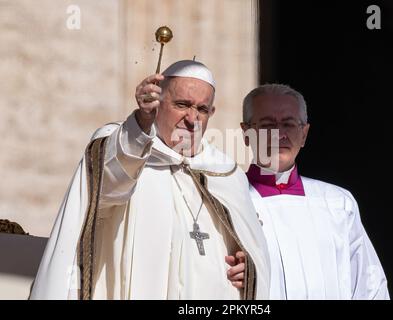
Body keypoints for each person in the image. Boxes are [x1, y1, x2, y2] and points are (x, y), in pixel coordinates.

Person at [30, 60, 270, 300]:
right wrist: (140, 124)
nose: (192, 118)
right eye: (182, 104)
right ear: (158, 103)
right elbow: (109, 185)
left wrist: (250, 271)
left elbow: (254, 253)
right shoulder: (125, 146)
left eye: (202, 109)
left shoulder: (227, 173)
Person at [228, 83, 389, 299]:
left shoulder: (337, 204)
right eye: (267, 125)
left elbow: (370, 286)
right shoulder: (228, 201)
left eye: (288, 124)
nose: (279, 135)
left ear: (304, 134)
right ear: (247, 133)